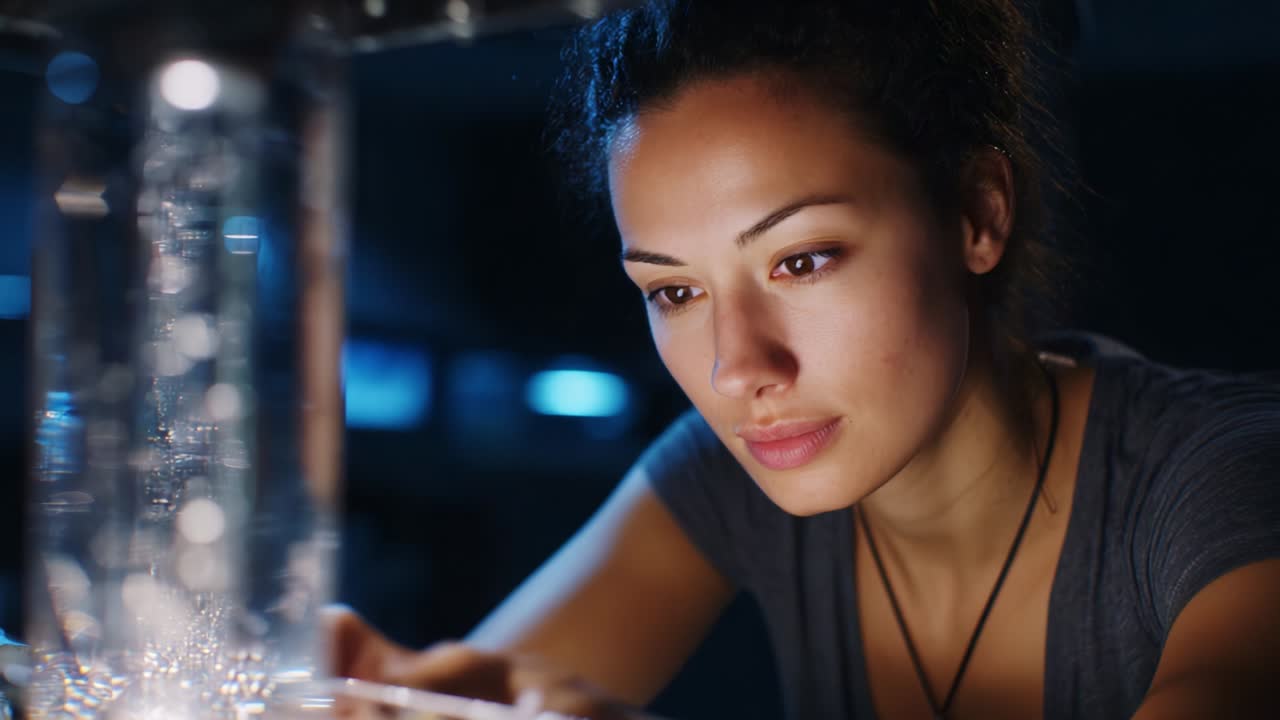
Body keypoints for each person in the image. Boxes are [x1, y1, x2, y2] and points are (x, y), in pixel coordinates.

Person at [327, 1, 1280, 717]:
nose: (740, 370)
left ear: (979, 213)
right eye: (675, 292)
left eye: (803, 259)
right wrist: (410, 695)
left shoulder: (1229, 481)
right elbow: (479, 692)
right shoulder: (729, 477)